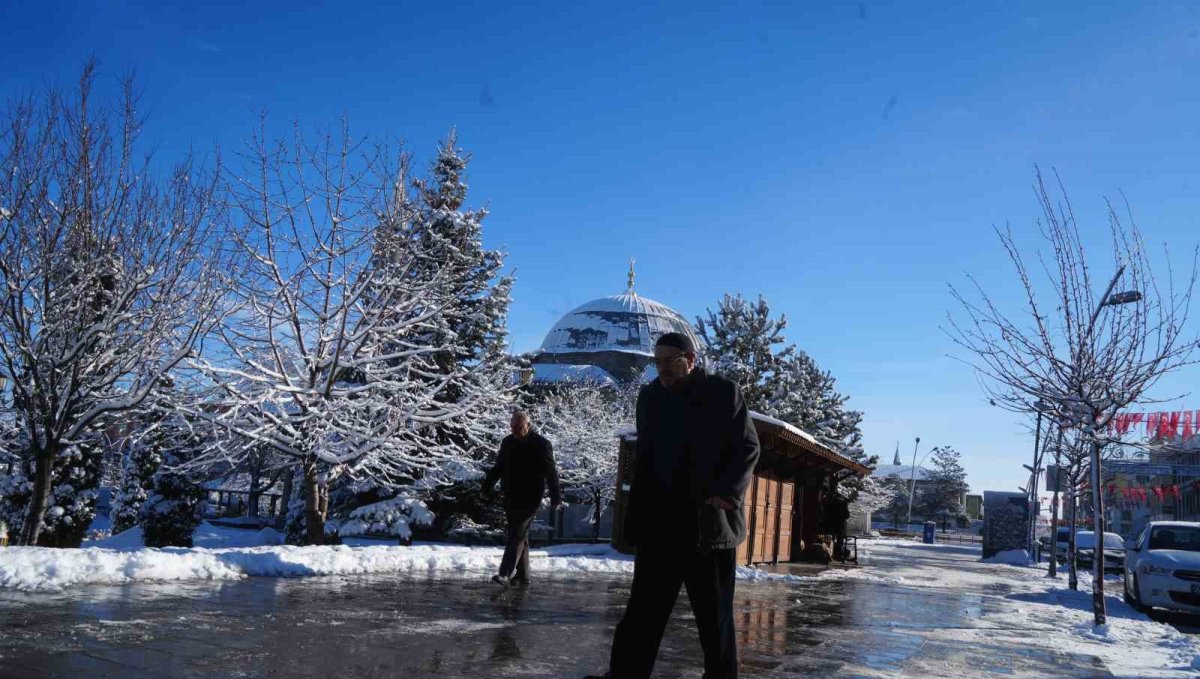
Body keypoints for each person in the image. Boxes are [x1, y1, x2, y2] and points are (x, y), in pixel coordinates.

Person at [586, 332, 760, 679]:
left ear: (690, 359)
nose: (661, 368)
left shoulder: (722, 393)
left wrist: (725, 493)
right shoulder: (650, 397)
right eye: (657, 361)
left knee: (715, 620)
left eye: (669, 360)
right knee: (641, 614)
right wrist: (636, 515)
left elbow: (747, 448)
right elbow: (646, 457)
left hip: (706, 527)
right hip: (659, 525)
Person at [482, 410, 561, 587]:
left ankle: (505, 574)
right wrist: (486, 487)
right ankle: (523, 575)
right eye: (512, 427)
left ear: (528, 425)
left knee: (516, 534)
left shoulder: (541, 444)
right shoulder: (507, 442)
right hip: (510, 495)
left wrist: (556, 497)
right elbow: (499, 467)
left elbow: (551, 472)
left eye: (518, 427)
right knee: (520, 535)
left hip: (530, 498)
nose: (515, 430)